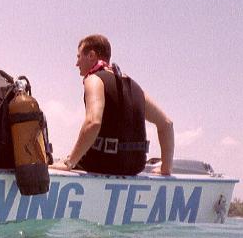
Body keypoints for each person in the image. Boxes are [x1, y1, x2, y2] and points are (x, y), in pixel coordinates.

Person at [51, 34, 174, 175]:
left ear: (91, 55)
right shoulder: (134, 86)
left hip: (104, 164)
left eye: (79, 57)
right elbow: (167, 124)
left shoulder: (94, 80)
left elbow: (93, 122)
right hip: (135, 167)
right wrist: (166, 167)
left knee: (55, 164)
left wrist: (69, 162)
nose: (76, 63)